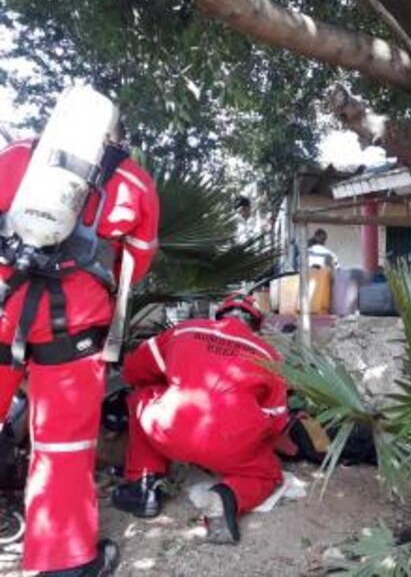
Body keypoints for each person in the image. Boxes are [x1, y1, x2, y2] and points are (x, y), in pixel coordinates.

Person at [0, 90, 159, 575]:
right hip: (71, 333)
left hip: (1, 309)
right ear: (115, 136)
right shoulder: (133, 183)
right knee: (61, 447)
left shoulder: (17, 155)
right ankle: (63, 562)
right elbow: (137, 261)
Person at [111, 295, 288, 544]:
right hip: (231, 446)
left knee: (140, 395)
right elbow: (275, 418)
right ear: (256, 324)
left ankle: (143, 485)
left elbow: (135, 370)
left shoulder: (186, 330)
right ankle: (227, 497)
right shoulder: (269, 356)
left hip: (168, 428)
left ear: (219, 314)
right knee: (266, 475)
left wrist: (168, 381)